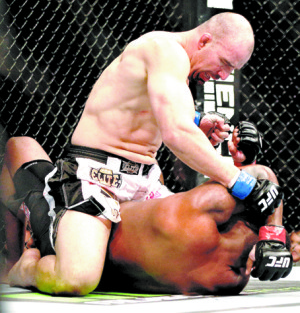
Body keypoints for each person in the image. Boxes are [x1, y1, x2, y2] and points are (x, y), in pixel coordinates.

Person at [1, 11, 283, 295]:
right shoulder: (163, 50)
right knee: (76, 278)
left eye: (232, 71)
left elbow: (163, 119)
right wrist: (239, 179)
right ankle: (25, 268)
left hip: (144, 184)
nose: (223, 75)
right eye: (225, 64)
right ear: (205, 41)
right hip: (95, 178)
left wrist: (199, 125)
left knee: (190, 239)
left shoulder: (178, 72)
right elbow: (176, 133)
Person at [2, 122, 292, 295]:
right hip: (98, 236)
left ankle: (17, 265)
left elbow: (265, 181)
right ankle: (16, 261)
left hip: (84, 235)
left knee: (21, 149)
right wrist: (274, 236)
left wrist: (273, 233)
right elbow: (266, 183)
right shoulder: (230, 278)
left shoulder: (213, 215)